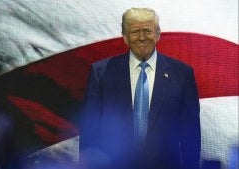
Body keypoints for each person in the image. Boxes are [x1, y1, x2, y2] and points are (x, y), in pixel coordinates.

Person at [79, 7, 201, 169]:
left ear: (158, 34)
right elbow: (90, 131)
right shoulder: (101, 73)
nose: (142, 37)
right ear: (125, 37)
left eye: (147, 31)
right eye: (135, 32)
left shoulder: (182, 74)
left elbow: (190, 134)